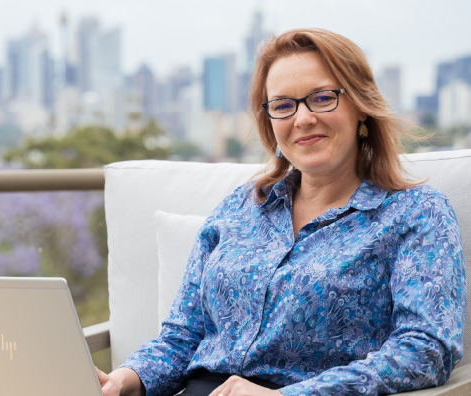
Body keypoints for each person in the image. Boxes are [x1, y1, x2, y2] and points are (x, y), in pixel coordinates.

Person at [96, 28, 466, 396]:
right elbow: (184, 334)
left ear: (361, 107)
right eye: (283, 105)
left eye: (322, 98)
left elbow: (425, 349)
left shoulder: (416, 214)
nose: (302, 119)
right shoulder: (241, 208)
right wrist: (126, 378)